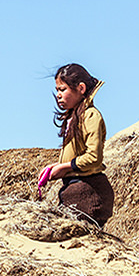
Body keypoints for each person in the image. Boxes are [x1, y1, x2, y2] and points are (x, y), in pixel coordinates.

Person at [32, 62, 113, 226]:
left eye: (63, 89)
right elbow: (77, 156)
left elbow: (94, 157)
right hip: (74, 190)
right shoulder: (74, 118)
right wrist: (55, 167)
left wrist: (64, 167)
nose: (58, 95)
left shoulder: (90, 116)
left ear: (81, 88)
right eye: (57, 90)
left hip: (90, 191)